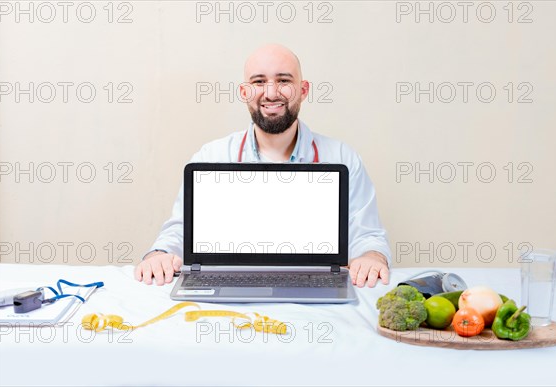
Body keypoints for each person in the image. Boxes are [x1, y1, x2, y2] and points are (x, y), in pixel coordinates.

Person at [134, 44, 391, 288]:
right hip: (231, 288)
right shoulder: (212, 156)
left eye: (283, 81)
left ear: (303, 90)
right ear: (245, 92)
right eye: (258, 82)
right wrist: (160, 253)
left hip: (313, 290)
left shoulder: (342, 157)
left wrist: (372, 257)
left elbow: (367, 234)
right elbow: (182, 229)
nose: (270, 93)